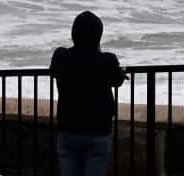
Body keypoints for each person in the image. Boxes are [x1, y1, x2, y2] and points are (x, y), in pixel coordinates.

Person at [50, 11, 127, 176]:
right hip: (98, 130)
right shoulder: (107, 60)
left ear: (73, 33)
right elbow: (116, 80)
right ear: (98, 36)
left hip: (68, 128)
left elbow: (54, 71)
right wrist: (121, 73)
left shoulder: (61, 56)